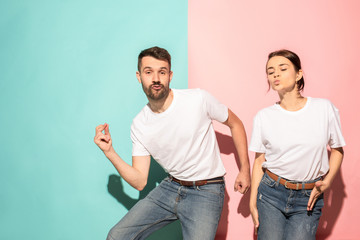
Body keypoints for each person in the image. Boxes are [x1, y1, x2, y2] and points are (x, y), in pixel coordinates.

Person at [94, 46, 251, 240]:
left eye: (162, 72)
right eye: (148, 72)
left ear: (170, 75)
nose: (156, 78)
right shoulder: (139, 124)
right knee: (117, 236)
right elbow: (140, 181)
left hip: (207, 190)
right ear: (139, 76)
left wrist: (245, 169)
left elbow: (235, 123)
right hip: (171, 187)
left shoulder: (197, 99)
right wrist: (110, 152)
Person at [249, 49, 345, 240]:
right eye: (270, 71)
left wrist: (327, 183)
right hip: (270, 194)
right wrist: (252, 201)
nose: (275, 74)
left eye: (283, 68)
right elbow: (260, 161)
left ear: (299, 73)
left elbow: (337, 150)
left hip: (308, 197)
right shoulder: (264, 116)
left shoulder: (324, 108)